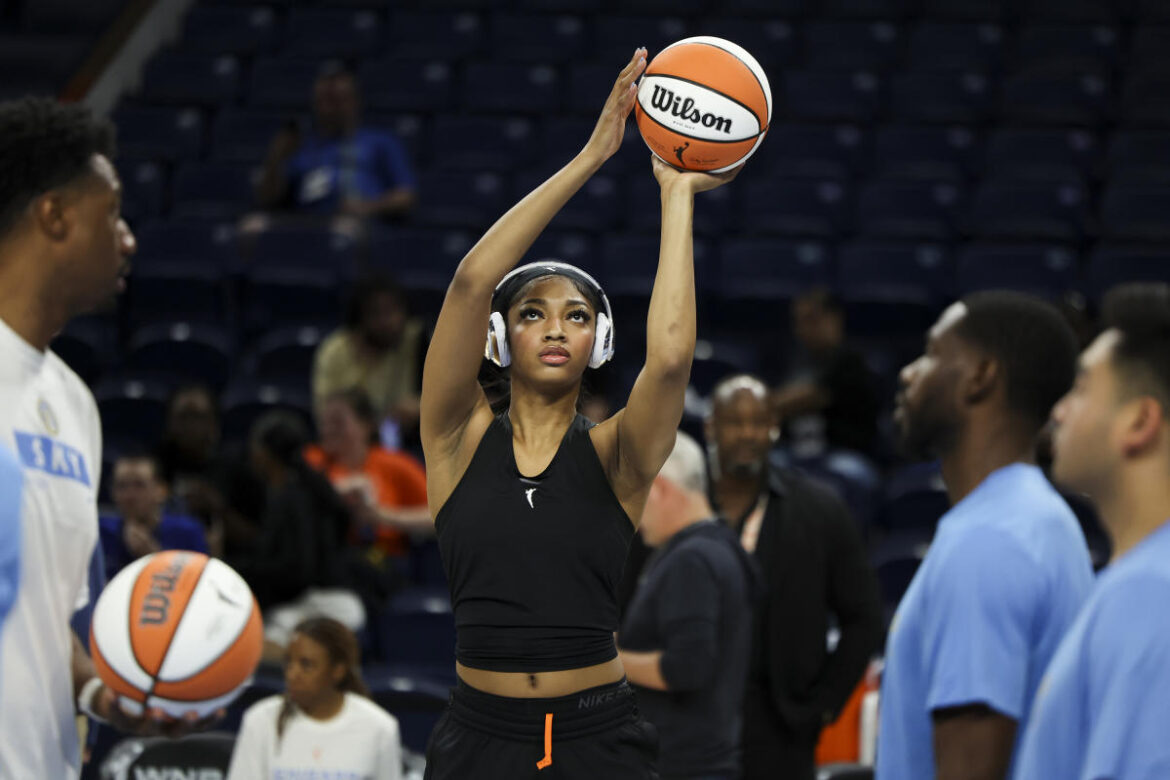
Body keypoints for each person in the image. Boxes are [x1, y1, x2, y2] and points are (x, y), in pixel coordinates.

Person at [419, 49, 739, 779]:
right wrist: (594, 155)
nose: (557, 327)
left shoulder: (617, 455)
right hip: (478, 735)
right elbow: (471, 282)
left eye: (577, 315)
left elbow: (670, 361)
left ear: (600, 342)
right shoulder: (454, 435)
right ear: (499, 339)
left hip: (598, 738)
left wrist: (676, 193)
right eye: (533, 313)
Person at [0, 96, 208, 779]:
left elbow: (40, 618)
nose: (128, 238)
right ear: (54, 216)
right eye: (112, 212)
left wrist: (100, 694)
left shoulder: (74, 405)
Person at [876, 291, 1095, 780]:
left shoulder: (988, 540)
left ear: (981, 376)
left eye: (932, 354)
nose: (908, 373)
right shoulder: (1044, 521)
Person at [1014, 283, 1170, 779]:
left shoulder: (1149, 595)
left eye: (1081, 389)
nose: (1059, 411)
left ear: (1139, 421)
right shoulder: (1138, 583)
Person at [706, 374, 882, 780]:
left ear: (775, 427)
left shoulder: (819, 510)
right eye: (735, 422)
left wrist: (824, 705)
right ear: (712, 427)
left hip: (781, 726)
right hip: (689, 722)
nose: (748, 433)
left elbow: (864, 617)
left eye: (759, 422)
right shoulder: (682, 507)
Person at [618, 431, 760, 780]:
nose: (632, 514)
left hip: (684, 765)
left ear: (661, 488)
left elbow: (686, 667)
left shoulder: (692, 560)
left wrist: (604, 658)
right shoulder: (720, 547)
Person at [236, 411, 365, 658]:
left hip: (322, 605)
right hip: (319, 603)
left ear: (265, 453)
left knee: (252, 654)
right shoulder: (295, 489)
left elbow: (297, 570)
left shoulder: (295, 497)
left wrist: (239, 571)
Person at [227, 617, 402, 780]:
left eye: (306, 665)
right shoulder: (260, 720)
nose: (292, 674)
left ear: (338, 671)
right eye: (289, 662)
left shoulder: (379, 728)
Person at [257, 62, 416, 221]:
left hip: (364, 224)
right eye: (324, 100)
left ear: (355, 101)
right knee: (255, 224)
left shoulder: (381, 142)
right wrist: (276, 157)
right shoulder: (300, 145)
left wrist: (367, 207)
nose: (330, 108)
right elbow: (268, 199)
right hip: (308, 222)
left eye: (337, 100)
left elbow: (405, 197)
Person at [304, 387, 430, 560]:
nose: (328, 430)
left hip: (382, 560)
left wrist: (380, 516)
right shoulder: (312, 459)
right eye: (324, 423)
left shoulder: (394, 464)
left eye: (337, 422)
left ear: (366, 425)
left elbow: (439, 516)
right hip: (325, 557)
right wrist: (337, 491)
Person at [312, 276, 427, 452]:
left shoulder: (414, 339)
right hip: (351, 446)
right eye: (377, 313)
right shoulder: (334, 352)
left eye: (394, 311)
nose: (389, 321)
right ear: (360, 318)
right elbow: (325, 415)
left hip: (405, 444)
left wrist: (421, 405)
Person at [155, 383, 264, 558]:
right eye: (183, 417)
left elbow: (257, 538)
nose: (189, 426)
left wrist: (217, 508)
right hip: (164, 558)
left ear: (213, 424)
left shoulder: (238, 469)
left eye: (197, 417)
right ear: (170, 423)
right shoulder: (155, 466)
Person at [771, 288, 881, 457]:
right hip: (794, 451)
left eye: (811, 320)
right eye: (798, 321)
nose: (803, 329)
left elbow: (807, 398)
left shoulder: (850, 360)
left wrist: (756, 407)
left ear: (835, 319)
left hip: (844, 453)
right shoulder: (794, 360)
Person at [99, 453, 208, 576]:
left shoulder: (187, 532)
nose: (129, 496)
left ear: (161, 491)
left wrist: (154, 556)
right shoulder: (101, 532)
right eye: (121, 486)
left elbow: (200, 580)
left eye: (139, 485)